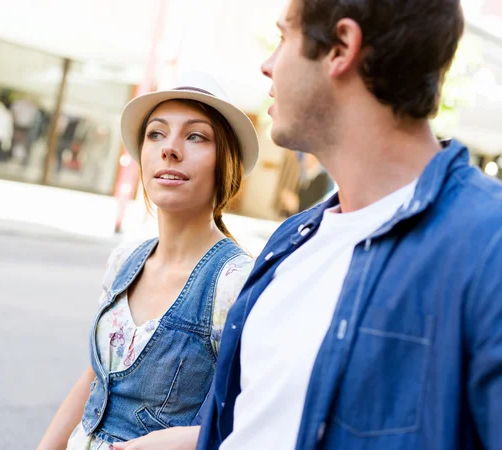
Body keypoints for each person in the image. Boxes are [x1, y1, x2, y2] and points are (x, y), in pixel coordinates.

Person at [194, 0, 502, 449]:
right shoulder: (292, 241)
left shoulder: (487, 246)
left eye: (284, 38)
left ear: (341, 47)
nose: (267, 65)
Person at [36, 71, 259, 450]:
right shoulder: (125, 261)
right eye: (156, 133)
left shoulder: (236, 282)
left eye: (195, 136)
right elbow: (97, 376)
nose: (169, 149)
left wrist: (179, 441)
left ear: (227, 163)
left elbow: (253, 416)